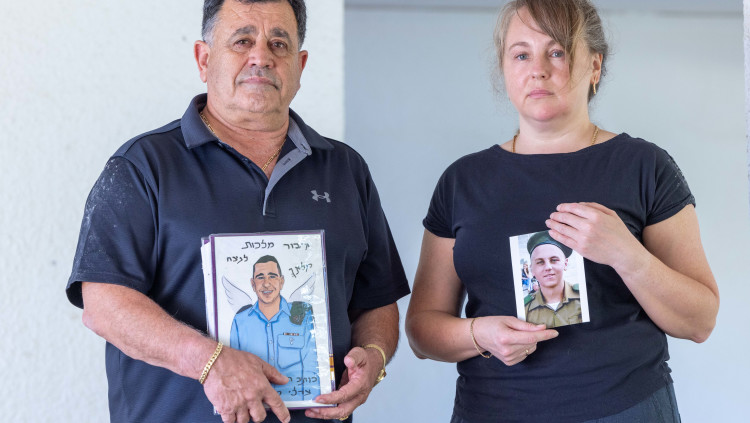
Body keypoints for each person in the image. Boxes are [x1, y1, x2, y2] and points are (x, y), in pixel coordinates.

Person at [66, 1, 410, 422]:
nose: (261, 57)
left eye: (278, 44)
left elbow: (376, 301)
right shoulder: (143, 166)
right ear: (204, 59)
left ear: (300, 65)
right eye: (242, 41)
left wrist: (374, 357)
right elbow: (103, 304)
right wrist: (208, 361)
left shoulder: (346, 170)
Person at [405, 1, 719, 422]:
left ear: (594, 65)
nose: (538, 70)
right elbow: (422, 331)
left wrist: (628, 256)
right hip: (490, 411)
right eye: (521, 55)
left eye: (557, 52)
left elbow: (699, 322)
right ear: (504, 69)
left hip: (626, 409)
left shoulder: (645, 166)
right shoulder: (462, 181)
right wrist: (478, 333)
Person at [230, 255, 319, 401]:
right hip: (253, 407)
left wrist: (315, 404)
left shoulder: (303, 316)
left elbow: (312, 368)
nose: (266, 283)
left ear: (281, 281)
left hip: (299, 406)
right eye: (260, 277)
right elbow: (233, 371)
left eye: (272, 276)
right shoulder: (240, 321)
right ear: (253, 284)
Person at [523, 231, 582, 328]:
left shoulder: (583, 296)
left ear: (565, 264)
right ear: (532, 269)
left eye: (554, 260)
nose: (548, 267)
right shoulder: (524, 309)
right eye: (540, 262)